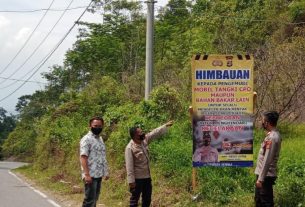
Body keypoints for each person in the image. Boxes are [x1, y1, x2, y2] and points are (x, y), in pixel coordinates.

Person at [125, 120, 174, 207]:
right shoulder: (130, 148)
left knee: (147, 199)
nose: (143, 133)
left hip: (147, 177)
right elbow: (129, 167)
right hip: (137, 179)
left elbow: (154, 133)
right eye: (140, 132)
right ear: (135, 136)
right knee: (134, 200)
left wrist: (165, 126)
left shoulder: (144, 141)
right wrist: (131, 181)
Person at [80, 116, 109, 207]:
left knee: (94, 199)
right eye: (95, 125)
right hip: (91, 175)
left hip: (99, 174)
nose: (97, 128)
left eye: (100, 126)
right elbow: (83, 157)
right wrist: (87, 175)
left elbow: (102, 156)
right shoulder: (86, 139)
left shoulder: (100, 139)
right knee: (89, 201)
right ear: (90, 126)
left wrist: (106, 171)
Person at [255, 111, 281, 207]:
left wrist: (260, 179)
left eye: (263, 120)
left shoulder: (272, 137)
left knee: (266, 202)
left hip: (265, 175)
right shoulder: (271, 135)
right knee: (259, 200)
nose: (262, 122)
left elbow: (267, 159)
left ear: (268, 122)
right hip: (263, 174)